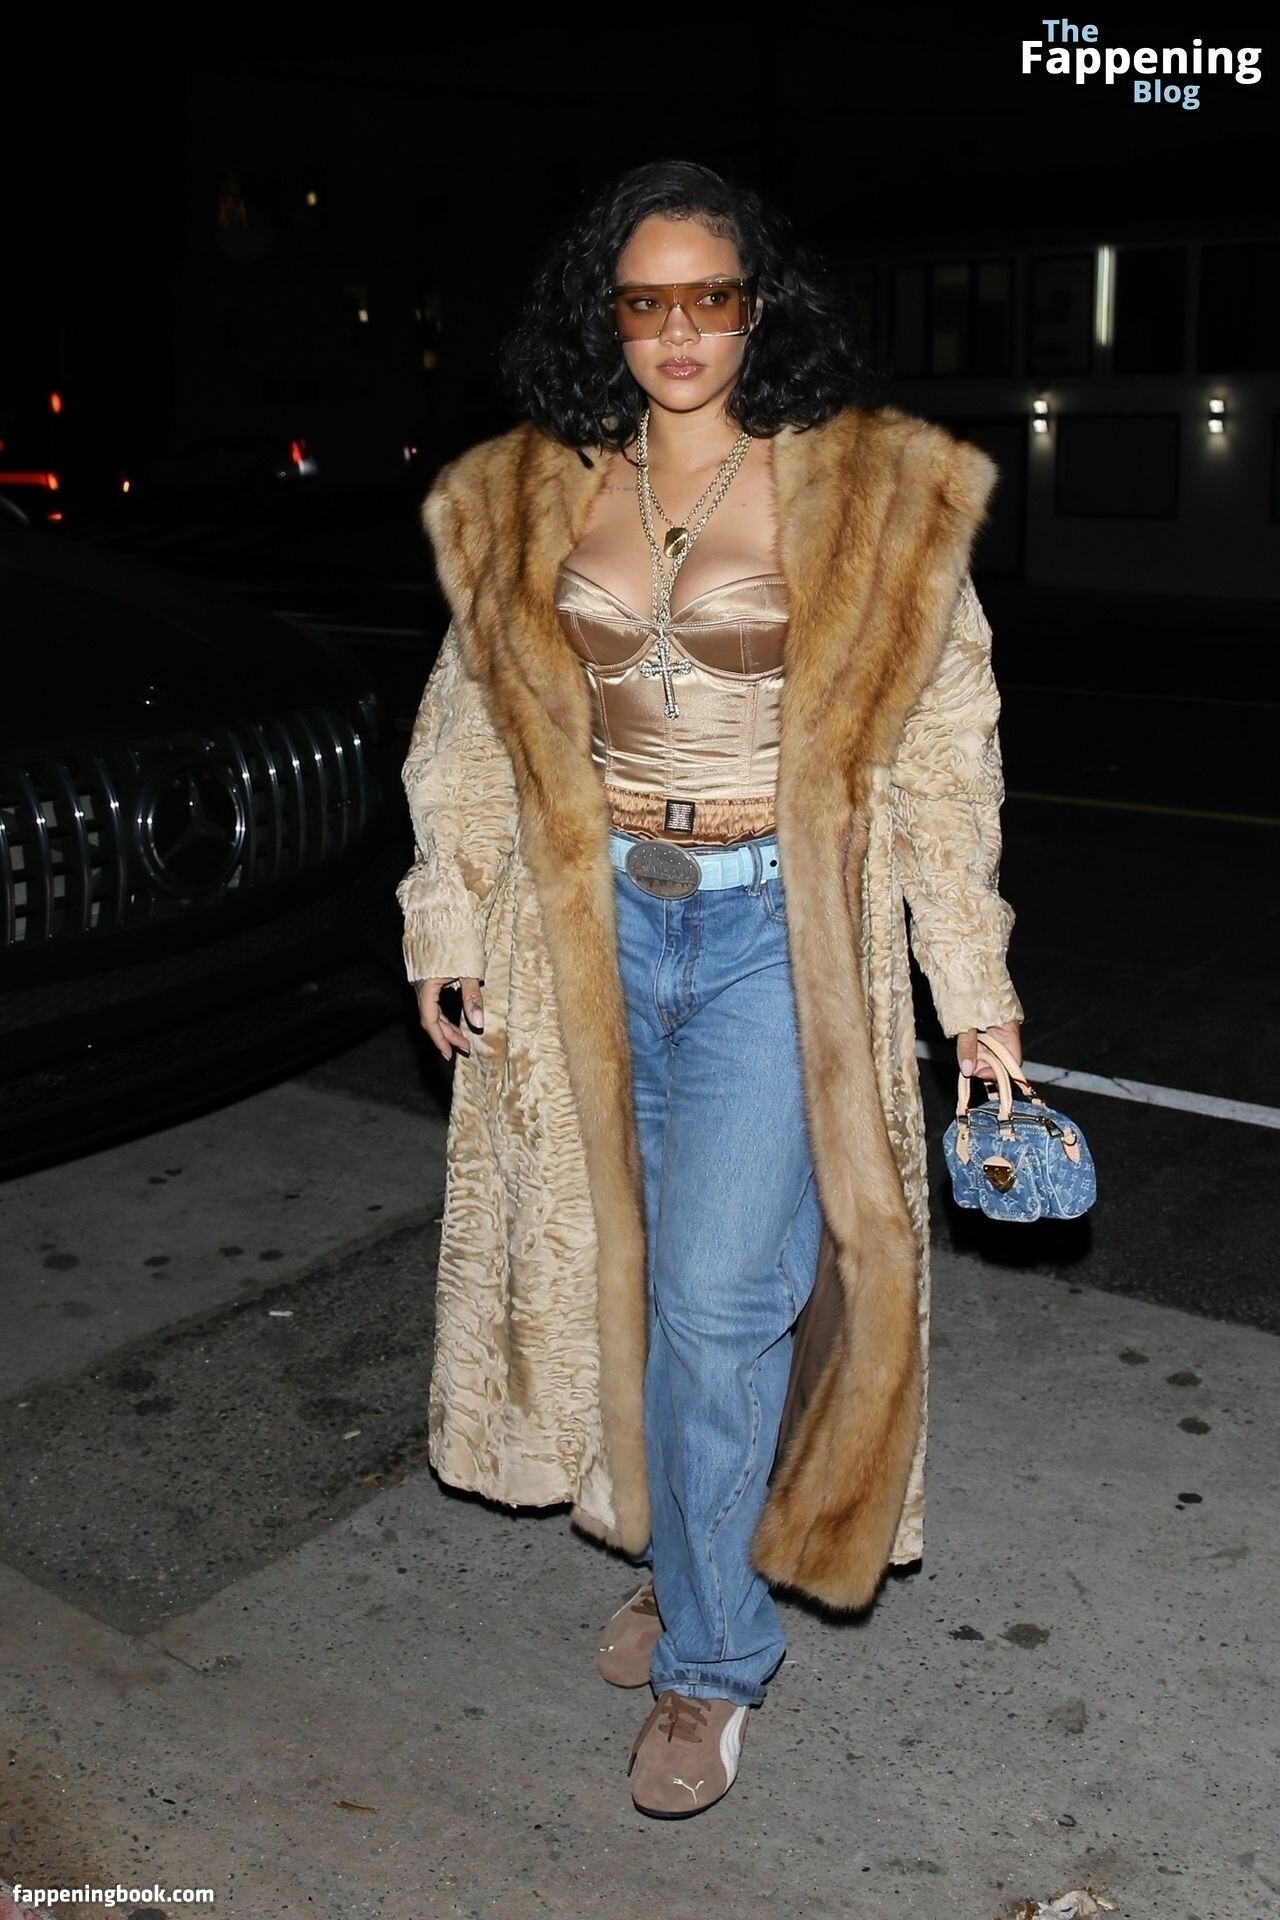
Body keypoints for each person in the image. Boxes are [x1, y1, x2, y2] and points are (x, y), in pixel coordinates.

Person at [395, 157, 1024, 1819]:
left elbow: (945, 749)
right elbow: (470, 724)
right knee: (635, 1285)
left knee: (722, 1303)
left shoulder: (858, 491)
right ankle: (690, 1559)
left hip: (773, 937)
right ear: (606, 318)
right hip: (591, 931)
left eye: (712, 297)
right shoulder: (534, 492)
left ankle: (712, 1664)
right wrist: (449, 918)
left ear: (761, 308)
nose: (680, 331)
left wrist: (973, 983)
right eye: (646, 301)